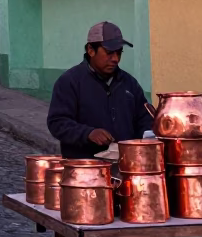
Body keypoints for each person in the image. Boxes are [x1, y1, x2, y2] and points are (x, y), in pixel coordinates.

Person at [47, 21, 151, 158]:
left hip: (124, 166)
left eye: (119, 53)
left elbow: (145, 120)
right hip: (84, 169)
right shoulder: (69, 81)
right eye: (109, 53)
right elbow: (57, 122)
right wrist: (88, 133)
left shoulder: (130, 84)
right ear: (90, 50)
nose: (115, 59)